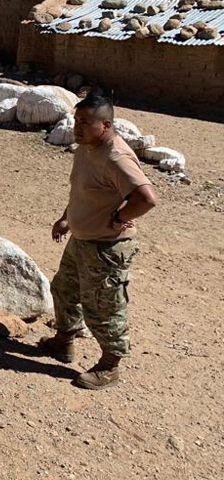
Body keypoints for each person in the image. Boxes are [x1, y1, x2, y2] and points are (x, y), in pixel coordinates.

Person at [39, 92, 157, 390]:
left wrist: (119, 217)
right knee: (64, 290)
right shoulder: (86, 149)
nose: (77, 127)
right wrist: (67, 218)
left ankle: (110, 366)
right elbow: (82, 190)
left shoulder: (116, 157)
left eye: (84, 122)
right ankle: (64, 341)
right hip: (82, 239)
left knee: (103, 308)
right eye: (76, 120)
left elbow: (146, 198)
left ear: (105, 125)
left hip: (106, 248)